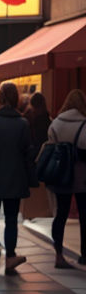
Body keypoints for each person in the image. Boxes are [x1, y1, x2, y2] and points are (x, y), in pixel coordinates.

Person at [0, 82, 35, 275]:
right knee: (11, 218)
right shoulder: (23, 124)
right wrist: (32, 178)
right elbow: (28, 153)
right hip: (15, 178)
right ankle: (10, 255)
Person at [47, 89, 86, 268]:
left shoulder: (56, 122)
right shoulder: (84, 123)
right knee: (84, 217)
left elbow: (50, 144)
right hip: (81, 177)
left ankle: (58, 254)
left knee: (60, 216)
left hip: (61, 175)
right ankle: (84, 255)